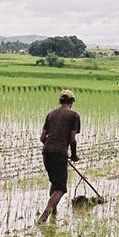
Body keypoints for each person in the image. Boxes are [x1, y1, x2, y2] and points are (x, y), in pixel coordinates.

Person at [38, 89, 80, 224]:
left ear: (60, 101)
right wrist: (73, 155)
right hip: (59, 153)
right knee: (61, 188)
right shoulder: (74, 115)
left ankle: (54, 212)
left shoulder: (51, 114)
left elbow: (42, 137)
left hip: (46, 152)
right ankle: (44, 217)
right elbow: (72, 139)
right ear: (71, 102)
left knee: (55, 183)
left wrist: (51, 147)